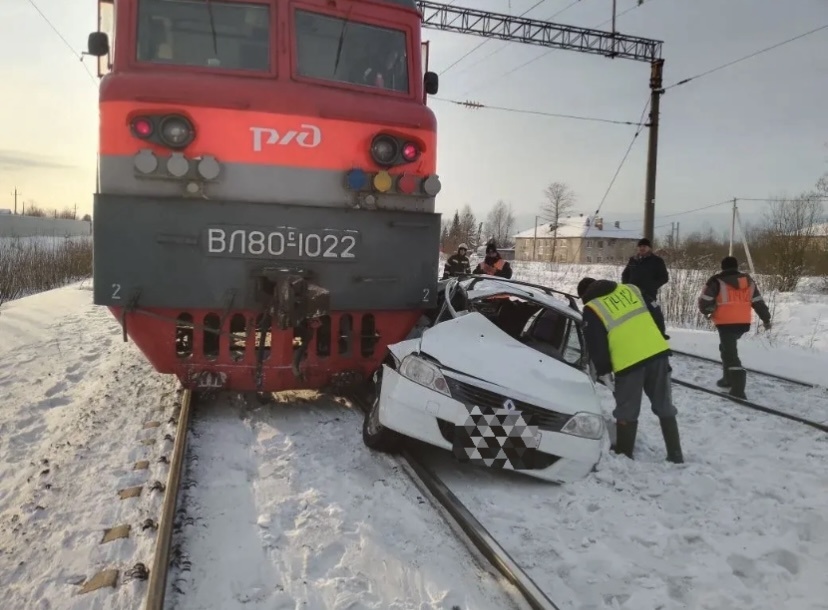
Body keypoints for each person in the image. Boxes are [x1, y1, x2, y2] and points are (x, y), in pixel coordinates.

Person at [577, 276, 683, 463]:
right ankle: (675, 454)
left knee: (627, 409)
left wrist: (604, 369)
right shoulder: (631, 289)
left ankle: (625, 454)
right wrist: (656, 338)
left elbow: (596, 342)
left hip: (628, 362)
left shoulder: (592, 307)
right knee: (664, 404)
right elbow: (656, 314)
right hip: (657, 353)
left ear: (585, 295)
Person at [697, 256, 772, 399]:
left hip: (725, 322)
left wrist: (707, 310)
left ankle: (738, 389)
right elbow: (758, 301)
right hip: (743, 323)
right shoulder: (748, 281)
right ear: (736, 266)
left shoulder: (716, 281)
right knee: (726, 348)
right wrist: (766, 318)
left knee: (730, 354)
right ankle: (727, 379)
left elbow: (704, 301)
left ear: (722, 266)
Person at [621, 238, 670, 339]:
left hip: (649, 295)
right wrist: (626, 286)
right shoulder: (633, 260)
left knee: (654, 313)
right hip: (632, 294)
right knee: (633, 316)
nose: (642, 248)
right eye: (640, 246)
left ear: (649, 248)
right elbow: (625, 274)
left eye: (644, 246)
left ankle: (659, 335)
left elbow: (664, 278)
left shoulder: (657, 261)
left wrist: (652, 286)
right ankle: (635, 335)